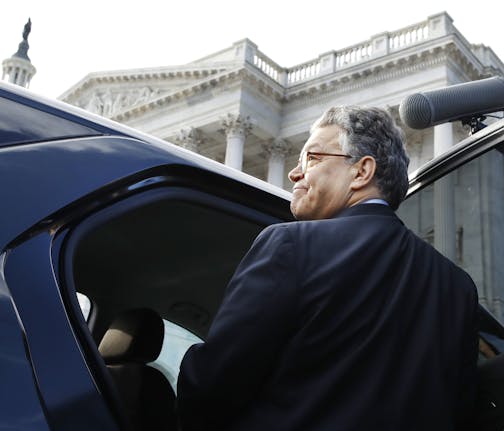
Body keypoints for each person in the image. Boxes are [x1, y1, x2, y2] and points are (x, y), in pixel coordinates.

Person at [177, 106, 479, 430]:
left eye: (311, 158)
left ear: (361, 172)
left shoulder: (291, 247)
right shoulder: (457, 287)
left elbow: (212, 386)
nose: (294, 174)